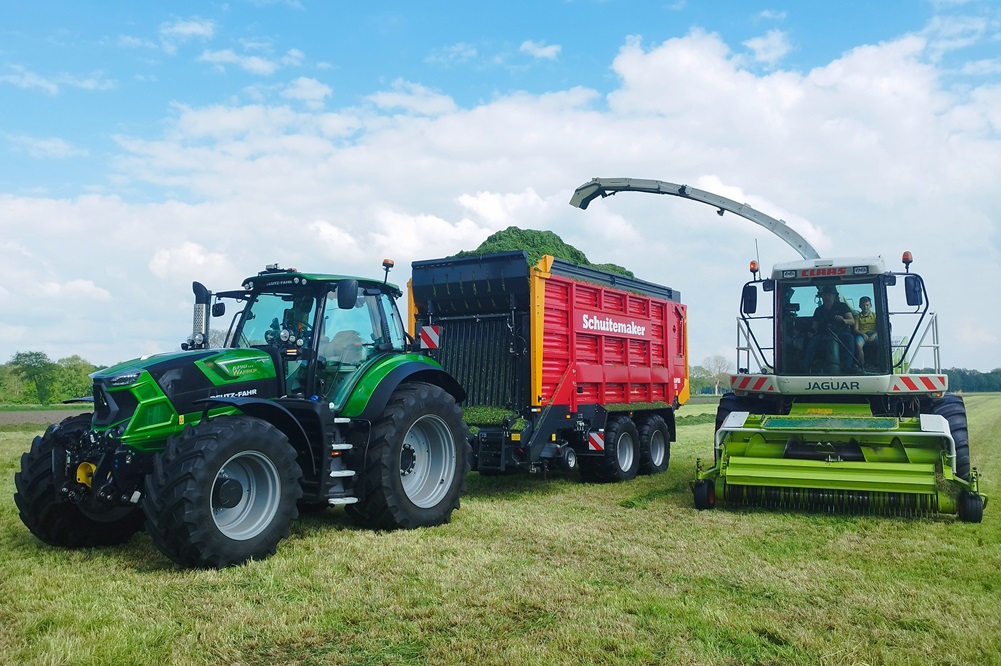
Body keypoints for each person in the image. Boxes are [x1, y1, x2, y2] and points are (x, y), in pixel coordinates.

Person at [802, 285, 856, 372]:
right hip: (824, 335)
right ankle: (806, 367)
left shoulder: (843, 306)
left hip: (841, 334)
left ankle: (847, 366)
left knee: (850, 338)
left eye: (830, 295)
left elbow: (852, 321)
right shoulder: (818, 310)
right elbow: (814, 326)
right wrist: (811, 332)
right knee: (813, 341)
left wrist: (843, 320)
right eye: (825, 295)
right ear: (822, 296)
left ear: (834, 296)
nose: (827, 297)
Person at [852, 296, 878, 368]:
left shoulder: (875, 315)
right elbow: (855, 329)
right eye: (863, 305)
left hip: (874, 334)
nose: (865, 307)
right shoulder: (857, 316)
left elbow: (879, 329)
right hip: (862, 334)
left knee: (881, 344)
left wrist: (874, 335)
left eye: (867, 305)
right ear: (860, 306)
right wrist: (863, 334)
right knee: (858, 344)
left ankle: (877, 363)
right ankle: (862, 364)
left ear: (871, 306)